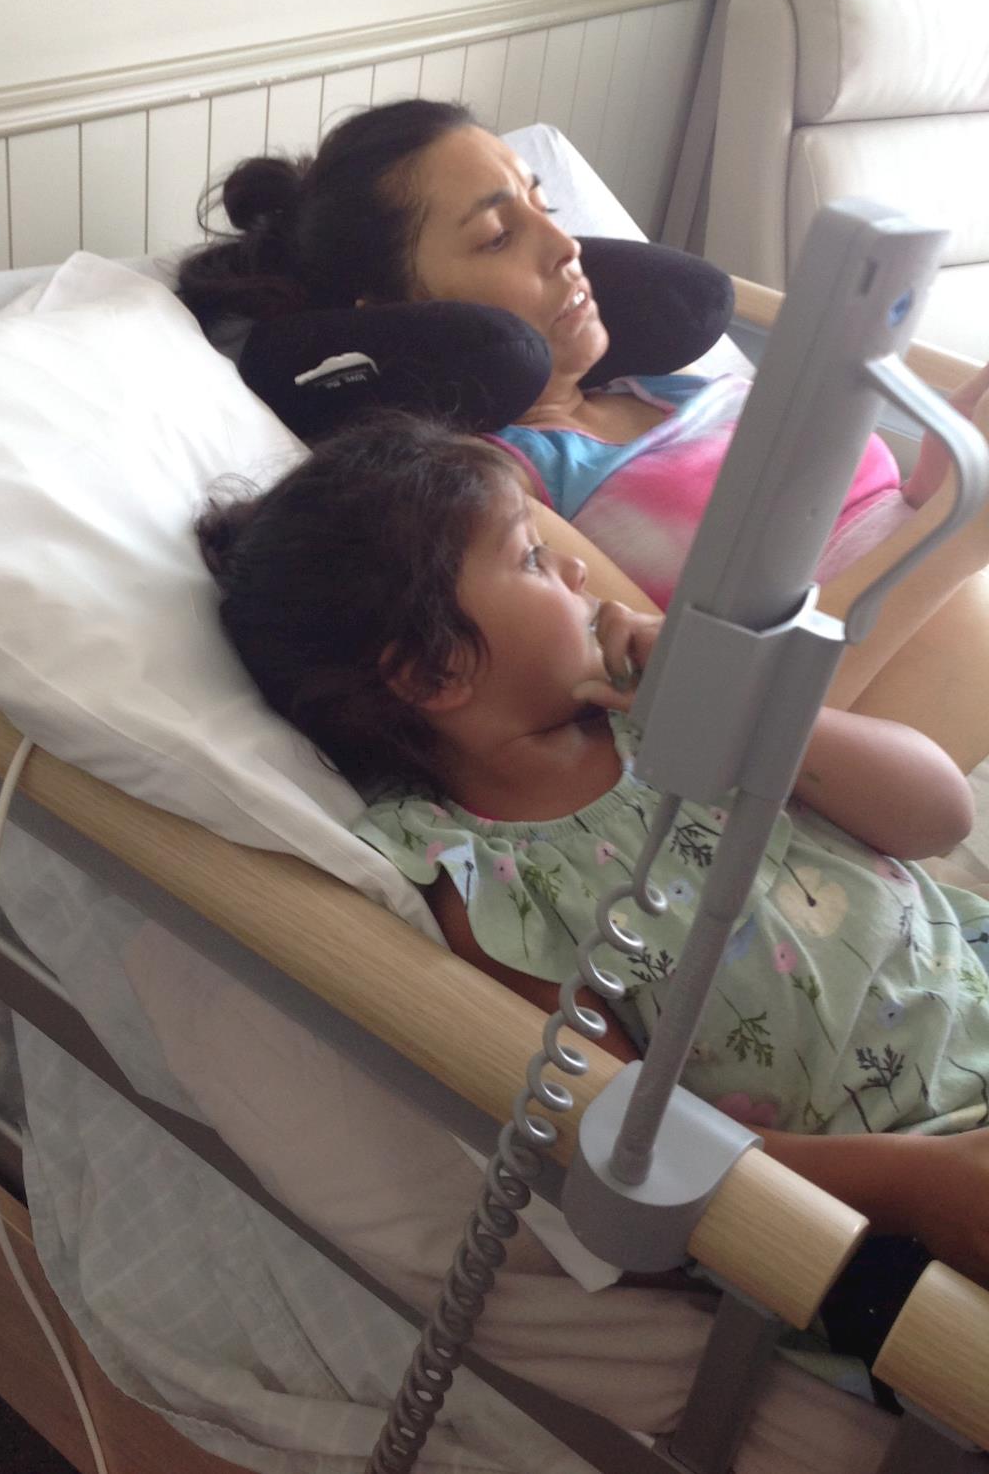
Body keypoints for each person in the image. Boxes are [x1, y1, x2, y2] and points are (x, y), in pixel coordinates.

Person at [197, 413, 989, 1292]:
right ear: (434, 672)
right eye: (534, 557)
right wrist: (919, 1186)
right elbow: (633, 1143)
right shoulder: (484, 884)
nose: (576, 570)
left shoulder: (679, 717)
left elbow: (937, 815)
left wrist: (746, 707)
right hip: (891, 1198)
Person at [178, 99, 989, 771]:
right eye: (498, 236)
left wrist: (943, 479)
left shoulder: (670, 386)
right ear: (399, 316)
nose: (567, 248)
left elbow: (864, 528)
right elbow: (695, 713)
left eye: (547, 208)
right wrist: (965, 529)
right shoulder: (500, 492)